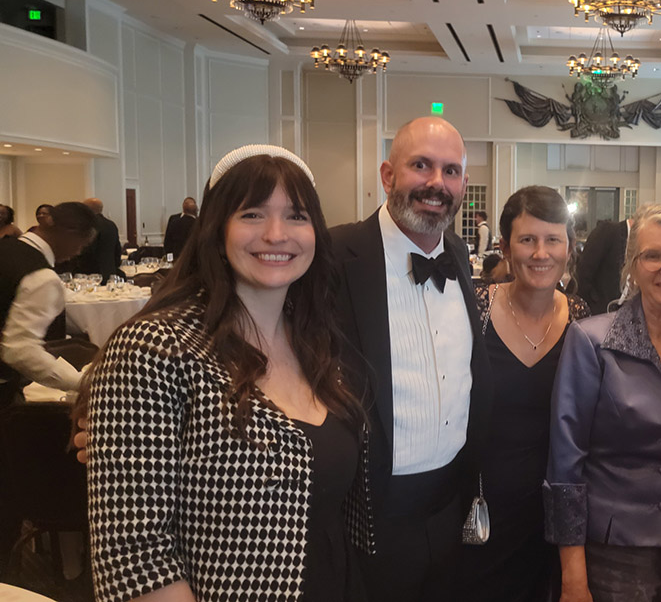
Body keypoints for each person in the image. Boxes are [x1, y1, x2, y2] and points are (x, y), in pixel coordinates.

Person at [86, 146, 370, 601]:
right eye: (253, 214)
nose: (277, 234)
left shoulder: (318, 342)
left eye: (296, 216)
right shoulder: (155, 348)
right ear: (216, 229)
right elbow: (134, 558)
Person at [329, 116, 491, 602]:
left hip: (451, 507)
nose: (437, 183)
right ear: (387, 176)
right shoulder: (335, 255)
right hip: (370, 513)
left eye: (451, 171)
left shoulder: (459, 255)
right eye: (421, 165)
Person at [546, 203, 661, 602]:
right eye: (653, 256)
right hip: (612, 551)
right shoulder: (592, 342)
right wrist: (573, 579)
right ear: (633, 267)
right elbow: (565, 466)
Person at [455, 186, 590, 602]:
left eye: (553, 240)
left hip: (554, 516)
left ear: (569, 247)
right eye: (527, 240)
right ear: (505, 247)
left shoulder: (584, 318)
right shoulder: (473, 308)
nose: (541, 253)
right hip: (479, 510)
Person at [1, 201, 96, 406]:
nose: (78, 252)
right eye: (82, 243)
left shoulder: (5, 246)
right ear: (70, 233)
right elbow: (19, 351)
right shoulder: (41, 276)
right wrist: (81, 382)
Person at [576, 217, 631, 315]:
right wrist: (593, 306)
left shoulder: (639, 244)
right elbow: (583, 271)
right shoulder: (608, 231)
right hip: (597, 313)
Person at [73, 197, 122, 282]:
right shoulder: (111, 225)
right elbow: (117, 250)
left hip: (90, 273)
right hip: (109, 271)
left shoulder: (88, 225)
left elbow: (88, 250)